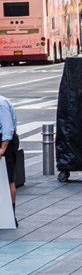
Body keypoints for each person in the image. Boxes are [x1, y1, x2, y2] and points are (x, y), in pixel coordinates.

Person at [0, 94, 18, 225]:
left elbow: (7, 129)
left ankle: (11, 215)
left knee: (8, 178)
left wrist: (2, 149)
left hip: (5, 142)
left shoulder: (1, 104)